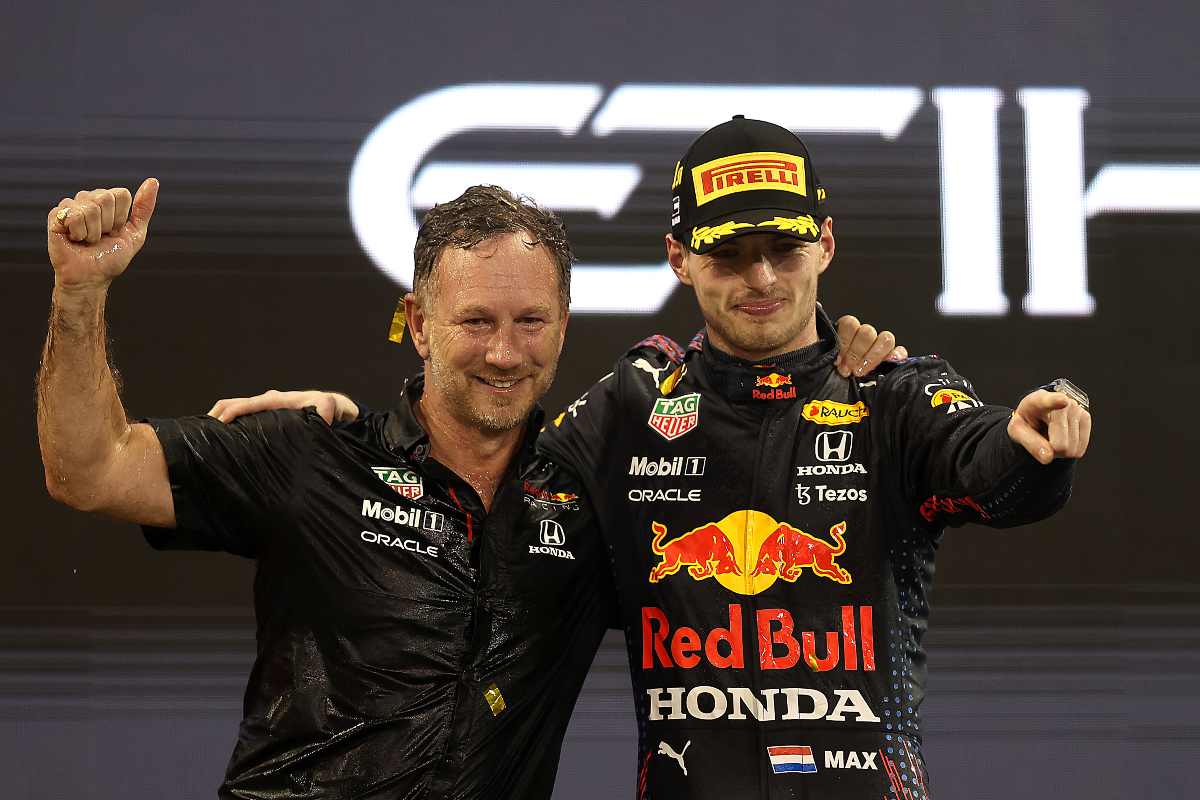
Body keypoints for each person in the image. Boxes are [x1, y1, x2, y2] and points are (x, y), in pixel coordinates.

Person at [237, 117, 1092, 799]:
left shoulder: (894, 393)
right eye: (728, 252)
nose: (760, 277)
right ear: (680, 257)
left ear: (825, 245)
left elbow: (992, 465)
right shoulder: (631, 404)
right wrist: (346, 432)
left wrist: (1038, 438)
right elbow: (481, 469)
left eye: (784, 250)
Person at [36, 182, 617, 799]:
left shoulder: (588, 508)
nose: (504, 353)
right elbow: (90, 470)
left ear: (561, 329)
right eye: (475, 321)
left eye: (530, 321)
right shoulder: (313, 453)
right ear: (419, 325)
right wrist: (80, 295)